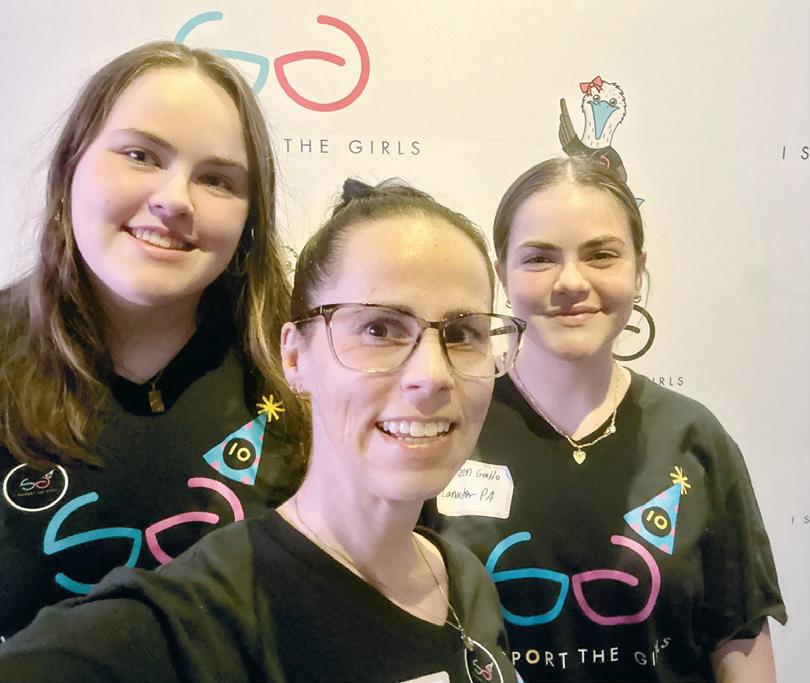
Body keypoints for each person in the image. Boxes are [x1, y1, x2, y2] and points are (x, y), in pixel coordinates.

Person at [0, 179, 526, 682]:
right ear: (295, 356)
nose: (432, 375)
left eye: (464, 334)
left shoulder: (464, 580)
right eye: (379, 328)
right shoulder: (205, 617)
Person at [422, 157, 787, 682]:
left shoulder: (693, 438)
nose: (571, 281)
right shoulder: (450, 427)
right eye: (539, 258)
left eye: (601, 255)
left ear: (638, 270)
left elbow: (740, 639)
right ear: (502, 275)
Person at [0, 41, 308, 642]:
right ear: (70, 168)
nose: (174, 200)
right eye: (140, 155)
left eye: (217, 179)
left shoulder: (301, 371)